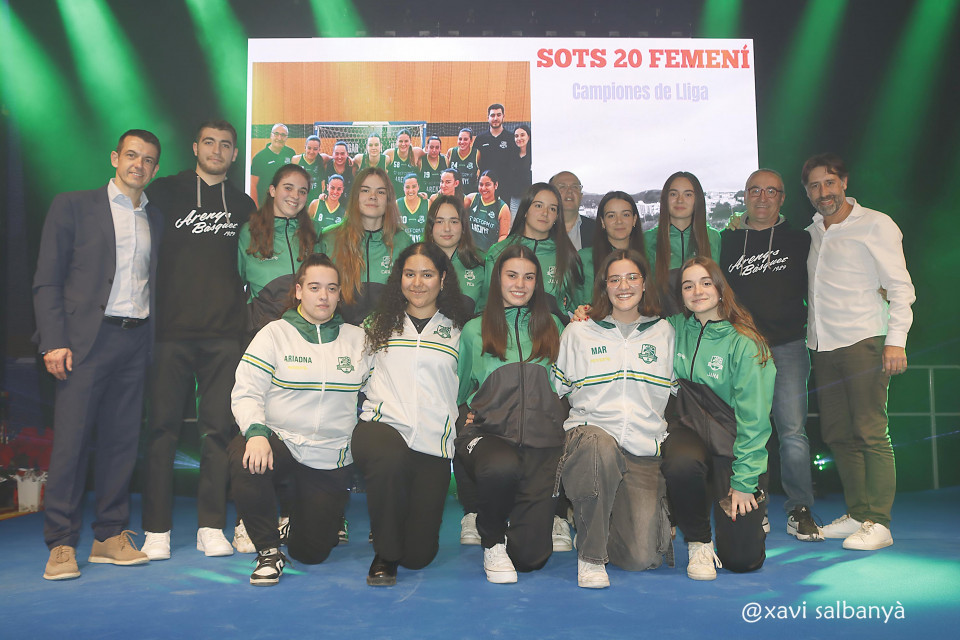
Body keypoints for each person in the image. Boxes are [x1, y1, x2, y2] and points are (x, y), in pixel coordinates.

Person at [34, 129, 162, 580]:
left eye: (147, 159)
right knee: (71, 446)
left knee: (122, 444)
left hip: (135, 341)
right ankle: (61, 543)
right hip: (83, 342)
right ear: (114, 158)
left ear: (155, 169)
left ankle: (109, 535)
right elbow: (48, 279)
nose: (138, 165)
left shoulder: (155, 218)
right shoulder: (72, 206)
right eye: (131, 155)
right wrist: (53, 340)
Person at [140, 120, 256, 561]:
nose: (217, 150)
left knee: (217, 433)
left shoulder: (243, 205)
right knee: (162, 431)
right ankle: (156, 529)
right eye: (209, 142)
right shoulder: (165, 191)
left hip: (223, 337)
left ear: (234, 154)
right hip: (169, 334)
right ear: (195, 147)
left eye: (225, 145)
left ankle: (211, 526)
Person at [228, 253, 370, 585]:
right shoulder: (274, 334)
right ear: (298, 291)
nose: (323, 296)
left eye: (331, 288)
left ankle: (296, 522)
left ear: (339, 294)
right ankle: (268, 551)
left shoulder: (358, 339)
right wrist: (256, 432)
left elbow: (381, 392)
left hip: (330, 455)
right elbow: (246, 390)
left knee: (312, 552)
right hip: (282, 441)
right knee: (244, 455)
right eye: (315, 287)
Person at [802, 153, 915, 550]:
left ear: (844, 182)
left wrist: (896, 340)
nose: (823, 192)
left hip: (865, 341)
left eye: (829, 182)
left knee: (870, 432)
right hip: (823, 346)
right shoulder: (812, 232)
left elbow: (899, 287)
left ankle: (879, 522)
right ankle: (858, 513)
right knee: (837, 434)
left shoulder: (876, 224)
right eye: (815, 186)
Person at [553, 249, 675, 588]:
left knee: (641, 558)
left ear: (645, 284)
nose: (624, 286)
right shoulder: (579, 332)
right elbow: (556, 390)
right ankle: (591, 557)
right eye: (615, 279)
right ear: (604, 287)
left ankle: (592, 518)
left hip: (642, 449)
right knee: (599, 445)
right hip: (590, 439)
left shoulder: (665, 332)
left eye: (632, 277)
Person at [353, 243, 469, 586]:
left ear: (443, 279)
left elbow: (473, 381)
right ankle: (384, 555)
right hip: (381, 427)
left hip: (432, 442)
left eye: (427, 274)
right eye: (409, 274)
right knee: (389, 460)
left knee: (419, 556)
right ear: (399, 278)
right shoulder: (377, 324)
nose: (417, 283)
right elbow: (349, 373)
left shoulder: (461, 331)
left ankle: (395, 531)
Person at [456, 244, 566, 584]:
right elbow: (459, 389)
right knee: (500, 465)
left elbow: (568, 385)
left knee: (531, 559)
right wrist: (464, 419)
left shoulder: (555, 327)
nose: (520, 284)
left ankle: (508, 513)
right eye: (512, 275)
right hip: (490, 437)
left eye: (529, 277)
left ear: (537, 283)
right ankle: (491, 539)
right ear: (497, 279)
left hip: (541, 445)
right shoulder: (474, 330)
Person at [719, 169, 819, 541]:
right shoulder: (727, 240)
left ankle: (800, 509)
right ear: (745, 195)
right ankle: (753, 506)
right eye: (755, 190)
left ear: (782, 198)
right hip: (741, 349)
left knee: (792, 433)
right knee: (746, 431)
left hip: (788, 346)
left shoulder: (801, 240)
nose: (763, 198)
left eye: (771, 191)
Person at [660, 257, 774, 581]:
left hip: (733, 445)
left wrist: (744, 483)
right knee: (681, 463)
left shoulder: (745, 343)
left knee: (742, 560)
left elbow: (755, 423)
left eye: (705, 283)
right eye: (688, 286)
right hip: (689, 431)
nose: (697, 291)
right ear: (681, 295)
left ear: (721, 289)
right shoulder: (673, 328)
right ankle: (698, 541)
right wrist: (588, 315)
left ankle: (748, 502)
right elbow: (630, 323)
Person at [320, 167, 413, 324]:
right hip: (339, 335)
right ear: (355, 196)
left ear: (389, 199)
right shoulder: (329, 239)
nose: (373, 197)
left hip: (390, 335)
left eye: (380, 192)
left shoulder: (403, 241)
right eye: (365, 190)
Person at [238, 164, 323, 334]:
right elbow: (235, 283)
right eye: (288, 188)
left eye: (302, 191)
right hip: (262, 333)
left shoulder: (315, 232)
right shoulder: (250, 232)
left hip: (307, 334)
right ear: (272, 190)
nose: (295, 196)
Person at [484, 183, 584, 323]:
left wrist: (583, 312)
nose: (545, 213)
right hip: (504, 332)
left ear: (557, 216)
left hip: (553, 333)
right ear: (525, 210)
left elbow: (580, 306)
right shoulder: (498, 251)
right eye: (538, 205)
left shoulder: (567, 256)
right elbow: (486, 303)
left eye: (552, 208)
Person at [645, 172, 721, 315]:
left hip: (705, 322)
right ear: (665, 199)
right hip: (661, 323)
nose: (680, 200)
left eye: (688, 194)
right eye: (673, 194)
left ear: (697, 199)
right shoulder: (648, 240)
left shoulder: (713, 237)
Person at [578, 190, 648, 307]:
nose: (619, 221)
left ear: (634, 219)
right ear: (602, 222)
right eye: (611, 216)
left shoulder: (650, 256)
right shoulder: (584, 259)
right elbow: (575, 301)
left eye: (625, 215)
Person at [424, 195, 485, 316]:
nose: (447, 228)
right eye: (439, 221)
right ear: (431, 227)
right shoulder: (415, 262)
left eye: (454, 221)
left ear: (463, 226)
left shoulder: (481, 264)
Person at [463, 170, 511, 252]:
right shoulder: (471, 198)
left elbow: (503, 236)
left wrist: (493, 253)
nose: (483, 188)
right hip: (468, 250)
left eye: (488, 184)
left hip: (487, 253)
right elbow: (458, 217)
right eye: (481, 184)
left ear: (496, 185)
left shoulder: (503, 208)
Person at [250, 123, 296, 207]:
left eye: (283, 135)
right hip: (266, 204)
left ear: (286, 137)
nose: (279, 138)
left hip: (285, 204)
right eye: (276, 134)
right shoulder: (259, 157)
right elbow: (252, 184)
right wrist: (256, 206)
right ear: (271, 135)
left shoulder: (291, 153)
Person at [549, 171, 596, 250]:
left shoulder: (597, 230)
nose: (570, 191)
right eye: (562, 187)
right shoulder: (541, 228)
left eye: (575, 187)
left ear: (581, 196)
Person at [475, 103, 514, 201]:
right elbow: (476, 162)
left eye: (498, 115)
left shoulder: (511, 138)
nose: (495, 118)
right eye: (492, 115)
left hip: (506, 188)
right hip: (485, 188)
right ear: (488, 117)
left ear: (503, 116)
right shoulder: (480, 139)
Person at [384, 129, 424, 196]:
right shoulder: (389, 153)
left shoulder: (416, 152)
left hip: (411, 195)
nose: (403, 144)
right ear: (396, 142)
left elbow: (430, 156)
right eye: (400, 141)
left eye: (406, 141)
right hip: (394, 195)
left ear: (410, 141)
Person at [506, 125, 532, 217]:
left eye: (522, 135)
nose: (519, 138)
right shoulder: (512, 155)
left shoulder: (533, 155)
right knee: (514, 222)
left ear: (528, 136)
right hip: (515, 197)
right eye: (516, 136)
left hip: (530, 198)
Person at [292, 135, 325, 203]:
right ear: (305, 147)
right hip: (300, 199)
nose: (311, 151)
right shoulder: (296, 160)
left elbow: (335, 158)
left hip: (316, 200)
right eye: (309, 148)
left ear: (319, 150)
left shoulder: (323, 159)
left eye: (315, 149)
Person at [397, 173, 429, 243]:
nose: (410, 190)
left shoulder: (428, 203)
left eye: (414, 186)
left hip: (422, 247)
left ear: (418, 187)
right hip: (403, 247)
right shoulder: (396, 204)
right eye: (407, 187)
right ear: (403, 188)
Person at [447, 127, 480, 193]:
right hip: (454, 193)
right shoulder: (451, 152)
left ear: (471, 141)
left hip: (470, 193)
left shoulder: (476, 153)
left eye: (465, 139)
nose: (462, 142)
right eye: (460, 139)